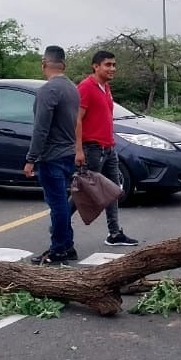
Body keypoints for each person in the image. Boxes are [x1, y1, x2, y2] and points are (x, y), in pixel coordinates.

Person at [74, 50, 138, 247]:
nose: (112, 68)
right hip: (92, 149)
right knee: (85, 191)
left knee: (112, 191)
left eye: (114, 65)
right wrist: (78, 150)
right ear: (96, 66)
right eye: (108, 65)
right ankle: (59, 228)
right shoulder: (86, 87)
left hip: (109, 148)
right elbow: (76, 119)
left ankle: (114, 233)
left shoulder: (106, 87)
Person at [24, 45, 80, 265]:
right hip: (68, 153)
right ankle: (68, 245)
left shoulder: (47, 90)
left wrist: (31, 158)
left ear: (44, 64)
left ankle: (58, 249)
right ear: (63, 64)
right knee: (62, 204)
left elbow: (41, 128)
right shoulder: (72, 88)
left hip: (52, 156)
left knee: (57, 206)